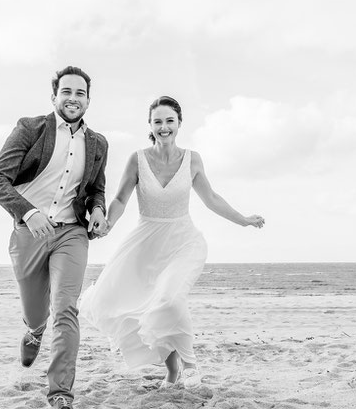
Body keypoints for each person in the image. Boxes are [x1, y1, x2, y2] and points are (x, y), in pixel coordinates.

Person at [0, 66, 108, 409]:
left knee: (66, 309)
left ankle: (61, 395)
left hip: (72, 233)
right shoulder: (30, 129)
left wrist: (97, 210)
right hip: (29, 233)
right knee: (38, 312)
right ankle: (34, 330)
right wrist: (29, 212)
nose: (73, 98)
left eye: (80, 93)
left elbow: (96, 188)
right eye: (66, 91)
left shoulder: (98, 143)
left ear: (88, 99)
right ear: (54, 96)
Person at [80, 96, 264, 388]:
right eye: (158, 122)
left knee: (169, 300)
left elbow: (211, 198)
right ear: (150, 126)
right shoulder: (137, 159)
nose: (164, 127)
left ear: (179, 123)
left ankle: (190, 364)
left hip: (183, 242)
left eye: (169, 121)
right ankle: (172, 371)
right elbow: (119, 199)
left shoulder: (192, 159)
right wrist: (107, 223)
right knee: (148, 308)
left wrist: (243, 219)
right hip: (146, 244)